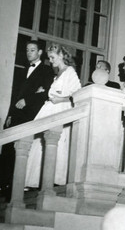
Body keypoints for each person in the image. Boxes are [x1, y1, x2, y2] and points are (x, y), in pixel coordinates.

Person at [25, 43, 81, 188]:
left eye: (52, 57)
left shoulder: (70, 72)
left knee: (57, 143)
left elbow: (77, 95)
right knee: (39, 142)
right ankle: (37, 180)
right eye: (49, 58)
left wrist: (60, 99)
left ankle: (54, 179)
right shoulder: (57, 74)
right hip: (49, 109)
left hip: (61, 109)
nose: (50, 60)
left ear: (62, 55)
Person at [5, 41, 54, 128]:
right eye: (27, 50)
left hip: (31, 115)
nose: (28, 53)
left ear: (40, 52)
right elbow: (15, 95)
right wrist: (10, 115)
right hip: (16, 116)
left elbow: (47, 93)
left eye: (32, 50)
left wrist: (27, 100)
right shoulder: (22, 71)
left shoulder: (47, 70)